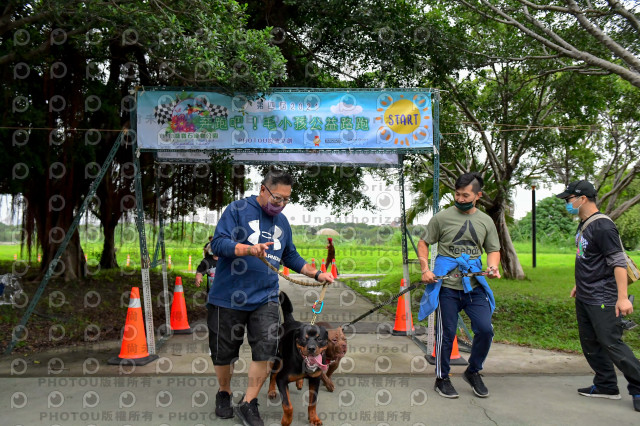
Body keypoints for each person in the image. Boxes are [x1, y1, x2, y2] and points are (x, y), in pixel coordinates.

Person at [207, 168, 335, 426]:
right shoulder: (237, 210)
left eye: (287, 200)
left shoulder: (282, 223)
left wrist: (317, 274)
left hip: (265, 298)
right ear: (263, 189)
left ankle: (248, 402)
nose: (281, 204)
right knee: (223, 354)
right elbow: (218, 244)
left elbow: (291, 256)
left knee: (266, 351)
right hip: (227, 297)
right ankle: (224, 392)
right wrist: (247, 249)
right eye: (277, 198)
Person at [556, 180, 640, 412]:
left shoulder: (603, 226)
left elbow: (618, 262)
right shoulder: (585, 224)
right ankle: (606, 386)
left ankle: (639, 386)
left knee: (611, 343)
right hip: (586, 294)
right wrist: (578, 283)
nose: (567, 203)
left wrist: (622, 298)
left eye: (569, 199)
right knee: (590, 343)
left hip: (603, 297)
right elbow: (588, 258)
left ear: (582, 199)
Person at [417, 172, 501, 399]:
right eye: (457, 194)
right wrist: (426, 269)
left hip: (474, 285)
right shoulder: (441, 218)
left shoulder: (485, 221)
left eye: (466, 195)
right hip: (447, 288)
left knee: (485, 330)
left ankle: (473, 371)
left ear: (478, 195)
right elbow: (423, 242)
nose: (460, 199)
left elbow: (493, 249)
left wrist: (493, 266)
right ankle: (442, 378)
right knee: (447, 335)